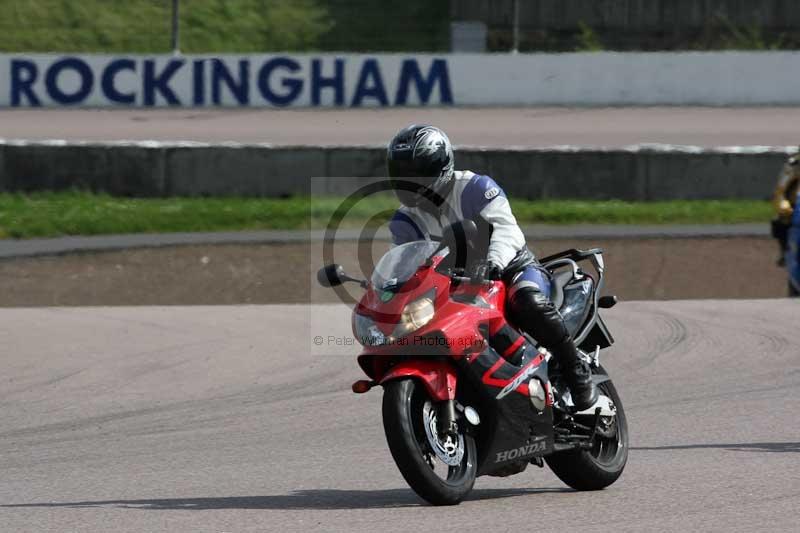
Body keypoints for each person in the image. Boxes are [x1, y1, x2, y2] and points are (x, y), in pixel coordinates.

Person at [386, 124, 597, 411]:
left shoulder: (475, 187)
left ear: (440, 166)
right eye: (401, 173)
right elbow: (404, 260)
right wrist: (390, 287)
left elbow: (507, 230)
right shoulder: (404, 219)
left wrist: (493, 262)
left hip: (510, 268)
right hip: (454, 287)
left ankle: (575, 370)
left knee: (528, 300)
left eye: (416, 172)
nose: (408, 181)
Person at [771, 150, 800, 266]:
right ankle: (785, 251)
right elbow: (781, 190)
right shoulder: (795, 165)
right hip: (796, 206)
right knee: (780, 220)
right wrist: (784, 206)